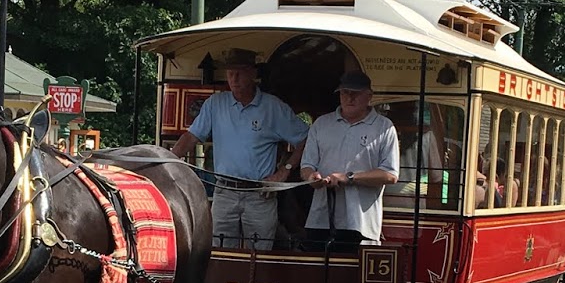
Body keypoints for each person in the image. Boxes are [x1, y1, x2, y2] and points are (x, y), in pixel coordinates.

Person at [171, 48, 308, 250]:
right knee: (220, 253)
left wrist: (283, 171)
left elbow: (306, 138)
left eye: (240, 72)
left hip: (259, 194)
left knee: (259, 254)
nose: (234, 78)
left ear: (254, 74)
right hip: (224, 192)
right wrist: (168, 161)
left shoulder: (272, 107)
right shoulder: (215, 104)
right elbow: (191, 136)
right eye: (230, 72)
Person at [299, 71, 399, 247]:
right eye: (345, 92)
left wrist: (349, 178)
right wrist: (311, 178)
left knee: (354, 274)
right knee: (317, 273)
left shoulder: (384, 127)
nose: (349, 98)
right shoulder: (322, 124)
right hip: (321, 220)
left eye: (356, 93)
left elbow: (390, 175)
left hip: (361, 223)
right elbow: (306, 165)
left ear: (369, 96)